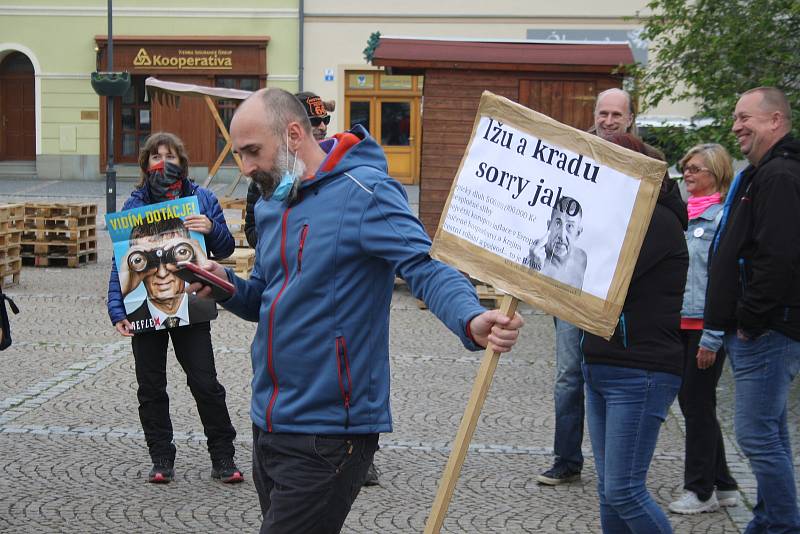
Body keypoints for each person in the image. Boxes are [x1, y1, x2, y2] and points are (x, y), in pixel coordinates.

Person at [190, 87, 524, 534]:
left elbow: (424, 265)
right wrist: (227, 285)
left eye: (253, 151)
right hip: (269, 421)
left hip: (331, 430)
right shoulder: (273, 203)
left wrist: (470, 317)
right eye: (239, 154)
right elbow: (268, 299)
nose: (245, 168)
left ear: (293, 134)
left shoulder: (366, 192)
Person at [106, 132, 243, 485]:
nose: (162, 163)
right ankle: (161, 457)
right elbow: (120, 264)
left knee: (205, 382)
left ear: (181, 162)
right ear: (145, 164)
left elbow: (224, 249)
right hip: (143, 311)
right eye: (155, 157)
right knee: (150, 387)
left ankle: (223, 456)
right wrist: (117, 308)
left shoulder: (201, 198)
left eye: (170, 156)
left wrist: (210, 227)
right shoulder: (134, 205)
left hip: (193, 305)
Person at [703, 86, 800, 532]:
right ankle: (769, 519)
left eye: (746, 118)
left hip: (765, 332)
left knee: (756, 435)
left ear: (775, 120)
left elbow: (779, 256)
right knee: (771, 432)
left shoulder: (779, 175)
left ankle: (781, 524)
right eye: (735, 117)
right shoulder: (764, 173)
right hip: (762, 329)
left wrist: (749, 320)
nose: (737, 126)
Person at [581, 132, 688, 532]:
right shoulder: (621, 217)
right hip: (603, 364)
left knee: (625, 490)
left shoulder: (657, 222)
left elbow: (603, 274)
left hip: (640, 371)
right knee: (610, 491)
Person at [538, 87, 638, 486]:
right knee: (568, 375)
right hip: (573, 285)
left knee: (615, 374)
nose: (609, 121)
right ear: (594, 115)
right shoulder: (574, 158)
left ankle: (618, 464)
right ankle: (566, 459)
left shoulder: (641, 160)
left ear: (630, 118)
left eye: (617, 114)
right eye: (603, 113)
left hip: (622, 291)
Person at [668, 143, 738, 515]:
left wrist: (712, 336)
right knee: (700, 403)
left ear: (716, 172)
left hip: (705, 327)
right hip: (682, 321)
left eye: (695, 169)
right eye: (686, 169)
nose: (688, 175)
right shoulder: (685, 215)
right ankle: (724, 483)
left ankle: (700, 490)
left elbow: (722, 282)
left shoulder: (723, 218)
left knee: (695, 405)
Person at [245, 91, 333, 248]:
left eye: (326, 120)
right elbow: (252, 234)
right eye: (315, 121)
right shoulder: (266, 171)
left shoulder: (336, 168)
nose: (323, 126)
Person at [123, 217, 216, 332]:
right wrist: (122, 291)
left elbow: (225, 249)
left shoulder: (204, 309)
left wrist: (204, 268)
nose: (162, 274)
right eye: (150, 262)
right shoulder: (131, 322)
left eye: (175, 256)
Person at [528, 196, 587, 289]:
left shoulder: (581, 258)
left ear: (578, 233)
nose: (562, 235)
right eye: (558, 223)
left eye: (570, 226)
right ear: (549, 226)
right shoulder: (534, 259)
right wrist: (533, 270)